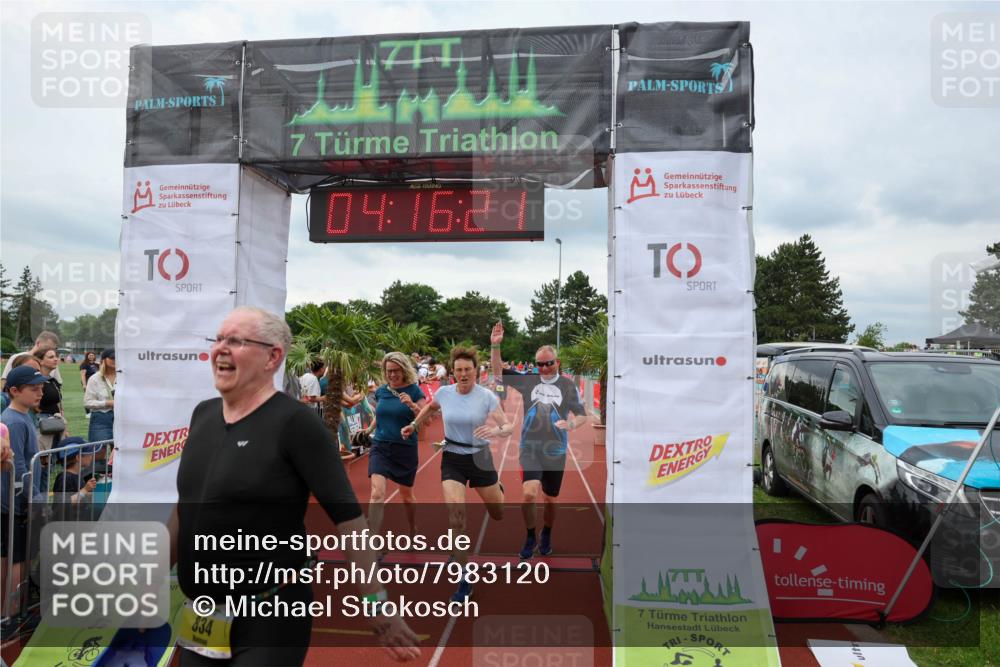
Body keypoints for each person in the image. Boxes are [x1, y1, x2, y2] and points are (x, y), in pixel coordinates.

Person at [172, 306, 419, 665]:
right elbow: (186, 507)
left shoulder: (297, 425)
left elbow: (350, 523)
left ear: (273, 356)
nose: (221, 349)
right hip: (202, 618)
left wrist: (377, 605)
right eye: (219, 339)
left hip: (270, 614)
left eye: (237, 341)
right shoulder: (203, 416)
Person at [402, 343, 511, 601]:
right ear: (453, 371)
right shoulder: (445, 392)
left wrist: (495, 431)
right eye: (459, 370)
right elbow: (430, 407)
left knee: (498, 513)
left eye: (468, 370)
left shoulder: (486, 396)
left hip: (480, 458)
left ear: (476, 371)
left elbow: (506, 426)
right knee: (456, 517)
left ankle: (499, 490)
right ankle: (464, 577)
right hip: (452, 457)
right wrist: (413, 424)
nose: (463, 374)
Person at [490, 323, 589, 560]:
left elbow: (583, 415)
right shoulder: (529, 380)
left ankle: (547, 532)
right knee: (529, 494)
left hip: (556, 450)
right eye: (540, 364)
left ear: (557, 362)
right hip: (530, 447)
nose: (544, 368)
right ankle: (530, 535)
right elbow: (497, 373)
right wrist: (495, 346)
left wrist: (573, 424)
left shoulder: (568, 386)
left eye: (549, 363)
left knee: (551, 500)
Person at [1, 366, 48, 636]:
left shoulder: (21, 416)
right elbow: (20, 467)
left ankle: (9, 614)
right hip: (15, 503)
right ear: (14, 391)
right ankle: (10, 616)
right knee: (14, 562)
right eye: (34, 389)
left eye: (41, 387)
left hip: (15, 502)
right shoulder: (15, 421)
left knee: (12, 559)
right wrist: (33, 501)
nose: (40, 392)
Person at [366, 352, 426, 546]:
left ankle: (412, 527)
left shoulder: (415, 391)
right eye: (388, 371)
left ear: (404, 369)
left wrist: (412, 406)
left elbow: (428, 419)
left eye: (396, 371)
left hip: (405, 449)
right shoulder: (382, 391)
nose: (392, 375)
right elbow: (381, 414)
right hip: (381, 446)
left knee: (407, 497)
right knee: (377, 493)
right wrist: (368, 429)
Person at [34, 346, 68, 452]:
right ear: (40, 361)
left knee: (53, 457)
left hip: (56, 421)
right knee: (43, 458)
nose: (56, 359)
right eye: (51, 357)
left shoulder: (53, 381)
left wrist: (65, 426)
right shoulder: (34, 380)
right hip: (41, 423)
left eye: (56, 356)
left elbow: (59, 404)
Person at [84, 349, 116, 442]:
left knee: (122, 453)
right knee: (98, 452)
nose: (115, 360)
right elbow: (87, 402)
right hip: (101, 418)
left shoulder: (124, 377)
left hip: (122, 418)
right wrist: (107, 403)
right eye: (112, 358)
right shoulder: (94, 379)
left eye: (117, 358)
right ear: (103, 360)